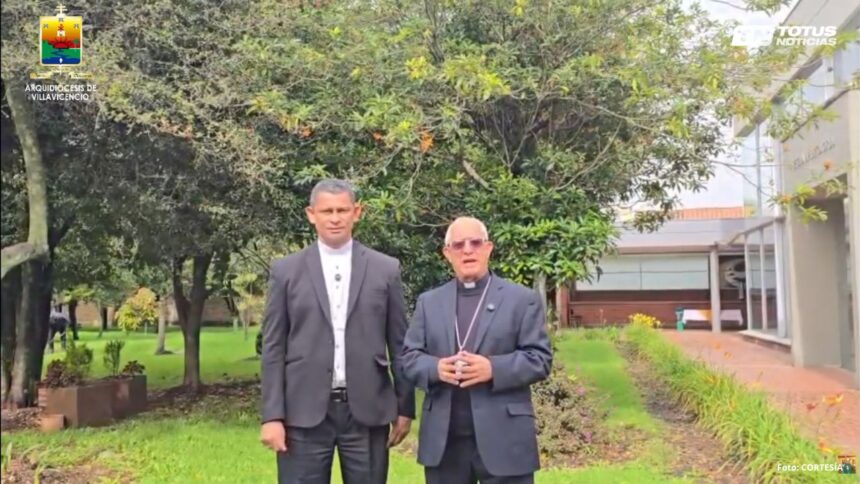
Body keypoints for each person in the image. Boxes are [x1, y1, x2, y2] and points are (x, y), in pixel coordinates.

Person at [260, 179, 415, 484]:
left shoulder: (385, 269)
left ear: (357, 212)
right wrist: (272, 416)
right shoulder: (286, 272)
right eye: (327, 211)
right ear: (311, 214)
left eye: (342, 210)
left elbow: (399, 345)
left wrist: (405, 406)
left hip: (367, 410)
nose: (335, 218)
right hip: (302, 412)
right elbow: (273, 348)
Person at [401, 216, 552, 484]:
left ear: (488, 248)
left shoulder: (521, 299)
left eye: (475, 243)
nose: (467, 250)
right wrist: (436, 368)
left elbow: (539, 359)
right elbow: (409, 358)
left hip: (505, 438)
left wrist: (493, 368)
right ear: (447, 253)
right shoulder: (429, 302)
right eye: (458, 245)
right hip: (446, 444)